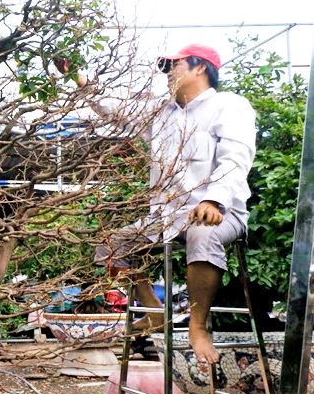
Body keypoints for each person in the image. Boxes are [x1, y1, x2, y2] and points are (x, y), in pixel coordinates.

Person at [57, 44, 256, 364]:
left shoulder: (228, 106)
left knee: (202, 233)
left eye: (174, 65)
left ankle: (197, 326)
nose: (167, 73)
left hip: (221, 212)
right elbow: (115, 108)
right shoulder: (161, 111)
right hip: (167, 218)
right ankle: (152, 310)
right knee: (111, 243)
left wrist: (213, 199)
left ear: (200, 68)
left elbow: (236, 159)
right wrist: (78, 78)